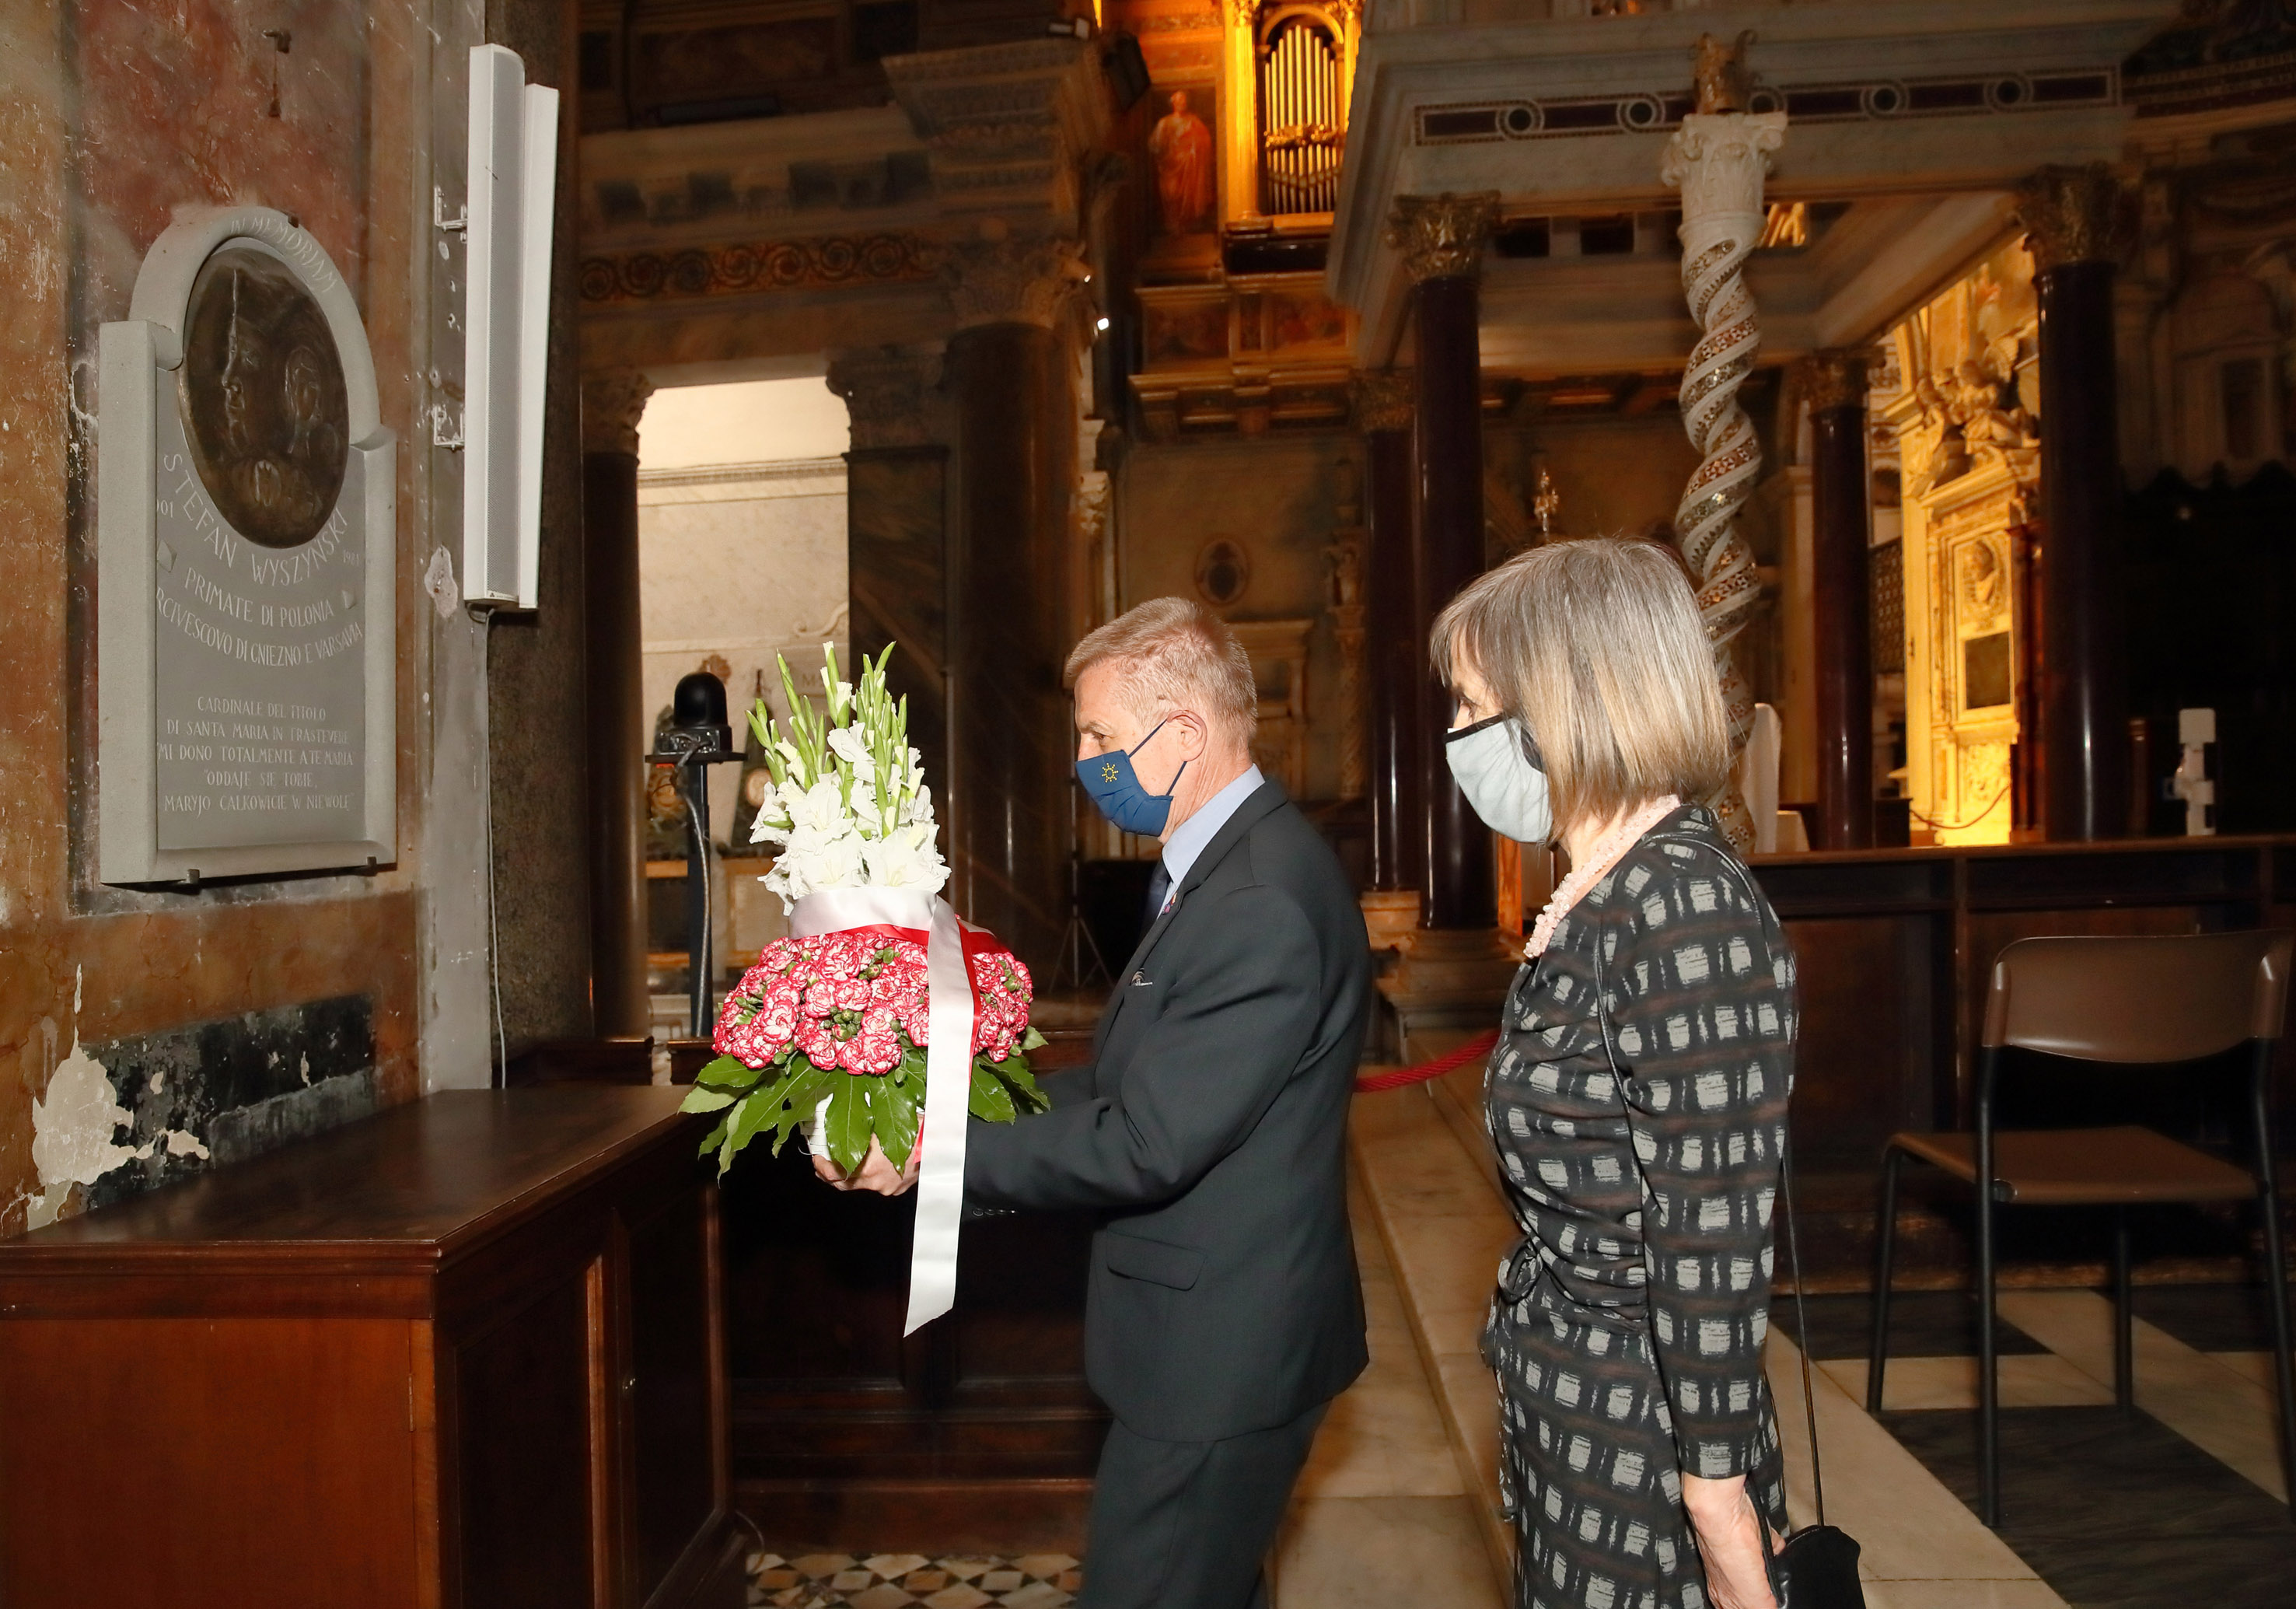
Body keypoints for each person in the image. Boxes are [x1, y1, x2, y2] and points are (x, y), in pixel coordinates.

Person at [824, 596, 1371, 1609]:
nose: (1083, 761)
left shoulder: (1255, 900)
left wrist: (934, 1153)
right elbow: (1128, 1082)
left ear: (1186, 732)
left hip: (1219, 1358)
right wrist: (949, 1103)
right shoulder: (1226, 870)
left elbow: (1147, 1141)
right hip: (1212, 1340)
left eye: (1099, 736)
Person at [1430, 538, 1795, 1609]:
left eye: (1472, 705)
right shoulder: (1607, 887)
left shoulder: (1681, 903)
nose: (1458, 735)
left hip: (1645, 1446)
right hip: (1579, 1410)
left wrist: (1719, 1513)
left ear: (1565, 702)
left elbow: (1711, 1239)